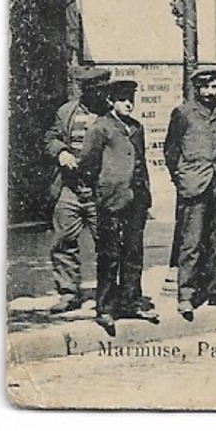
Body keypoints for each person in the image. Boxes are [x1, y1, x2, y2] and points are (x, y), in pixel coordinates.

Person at [74, 79, 159, 334]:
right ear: (111, 101)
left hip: (136, 200)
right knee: (109, 254)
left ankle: (131, 301)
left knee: (133, 253)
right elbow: (88, 165)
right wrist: (102, 189)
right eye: (123, 98)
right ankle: (106, 308)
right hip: (111, 200)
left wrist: (144, 195)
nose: (129, 103)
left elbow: (140, 162)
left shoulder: (136, 127)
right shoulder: (101, 128)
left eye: (131, 98)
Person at [163, 66, 216, 322]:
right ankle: (186, 296)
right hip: (194, 184)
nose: (210, 91)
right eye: (205, 86)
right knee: (191, 242)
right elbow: (171, 152)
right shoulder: (183, 113)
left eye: (214, 86)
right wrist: (182, 179)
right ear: (197, 88)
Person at [43, 65, 111, 314]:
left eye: (101, 91)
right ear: (83, 90)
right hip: (70, 188)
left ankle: (107, 295)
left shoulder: (110, 114)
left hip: (99, 191)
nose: (97, 95)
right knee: (62, 241)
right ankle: (68, 293)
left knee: (106, 243)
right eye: (91, 90)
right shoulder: (67, 112)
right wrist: (61, 151)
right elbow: (50, 138)